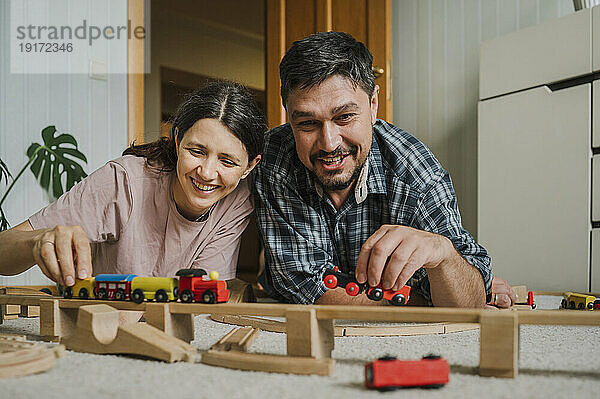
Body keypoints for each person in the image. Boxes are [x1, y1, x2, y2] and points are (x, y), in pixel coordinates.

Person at [254, 31, 496, 307]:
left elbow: (469, 304)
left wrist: (444, 256)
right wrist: (425, 302)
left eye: (344, 117)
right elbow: (307, 288)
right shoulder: (274, 156)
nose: (329, 143)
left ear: (373, 104)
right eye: (307, 123)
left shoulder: (417, 173)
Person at [0, 81, 266, 287]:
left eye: (227, 162)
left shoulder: (238, 199)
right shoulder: (123, 182)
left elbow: (199, 294)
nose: (207, 173)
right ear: (177, 140)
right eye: (196, 151)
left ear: (249, 167)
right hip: (102, 323)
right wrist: (37, 241)